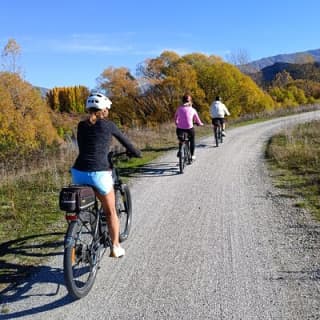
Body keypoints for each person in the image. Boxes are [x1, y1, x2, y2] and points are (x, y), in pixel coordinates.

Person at [71, 92, 141, 258]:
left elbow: (88, 147)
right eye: (107, 109)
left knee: (84, 205)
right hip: (99, 174)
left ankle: (73, 243)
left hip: (78, 172)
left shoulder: (81, 125)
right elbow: (126, 142)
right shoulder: (108, 125)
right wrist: (136, 153)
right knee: (110, 212)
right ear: (104, 110)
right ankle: (115, 247)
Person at [174, 94, 203, 160]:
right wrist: (200, 123)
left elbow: (175, 117)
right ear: (190, 102)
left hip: (180, 129)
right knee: (192, 140)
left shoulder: (179, 109)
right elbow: (197, 119)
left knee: (181, 139)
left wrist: (176, 122)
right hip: (190, 129)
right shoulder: (193, 109)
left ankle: (180, 150)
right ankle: (192, 155)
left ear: (182, 101)